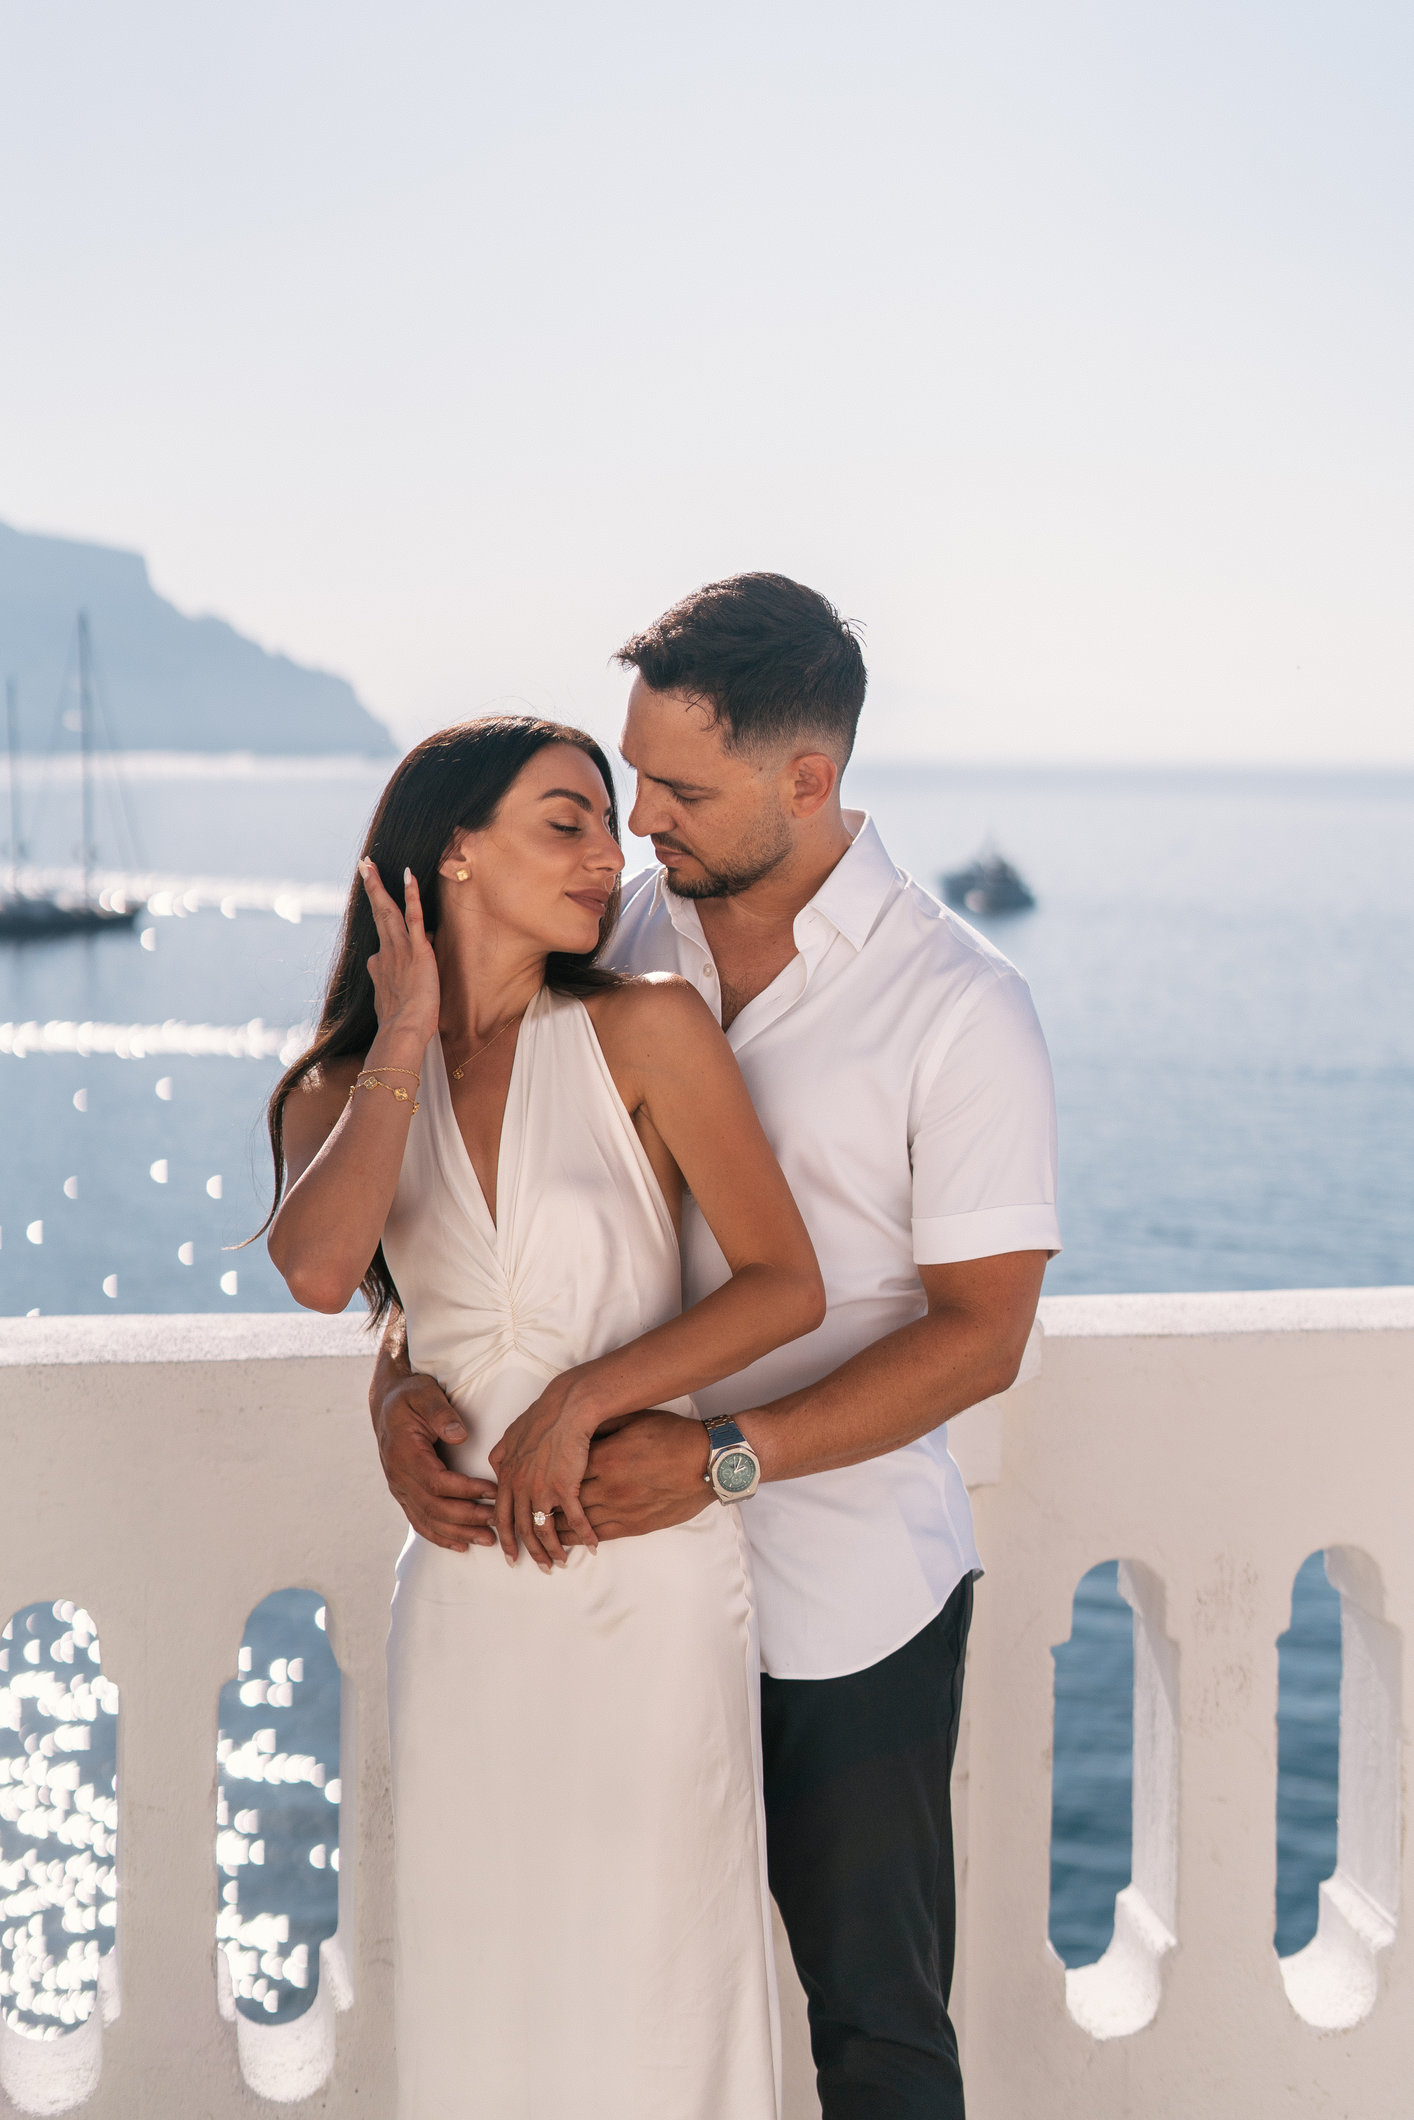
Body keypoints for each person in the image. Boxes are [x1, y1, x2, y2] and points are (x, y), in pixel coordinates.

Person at [372, 574, 1061, 2120]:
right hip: (596, 1585)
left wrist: (724, 1456)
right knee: (604, 1998)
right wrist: (397, 1377)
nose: (640, 824)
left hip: (844, 1595)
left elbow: (982, 1338)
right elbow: (471, 1203)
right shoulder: (602, 933)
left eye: (680, 789)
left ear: (804, 781)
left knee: (874, 2033)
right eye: (629, 781)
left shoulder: (962, 1006)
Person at [263, 714, 826, 2119]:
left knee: (660, 1971)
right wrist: (403, 1028)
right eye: (564, 820)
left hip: (643, 1578)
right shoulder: (338, 1089)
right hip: (467, 1598)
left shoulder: (646, 1027)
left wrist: (586, 1392)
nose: (610, 849)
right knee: (484, 1975)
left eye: (602, 821)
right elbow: (333, 1273)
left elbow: (783, 1285)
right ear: (452, 853)